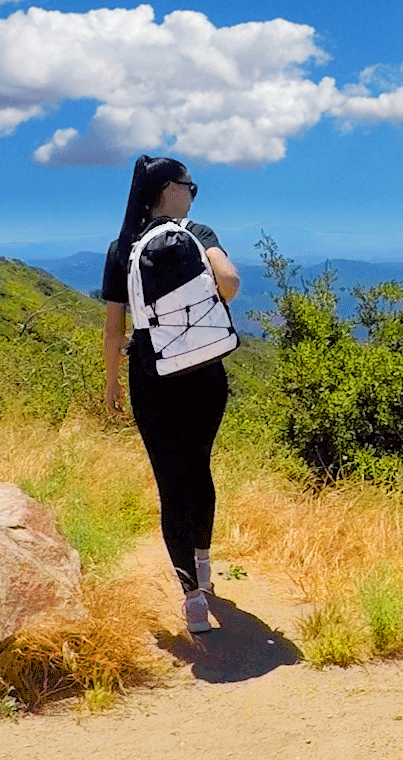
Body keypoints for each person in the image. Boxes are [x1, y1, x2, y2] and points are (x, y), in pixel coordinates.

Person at [100, 155, 241, 633]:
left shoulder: (122, 246)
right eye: (190, 186)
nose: (193, 194)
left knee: (170, 484)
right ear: (168, 190)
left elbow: (114, 326)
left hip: (151, 376)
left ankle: (191, 600)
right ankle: (204, 565)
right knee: (199, 467)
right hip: (204, 374)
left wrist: (111, 382)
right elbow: (231, 284)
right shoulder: (199, 233)